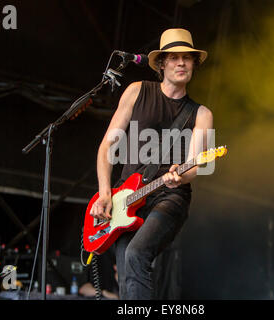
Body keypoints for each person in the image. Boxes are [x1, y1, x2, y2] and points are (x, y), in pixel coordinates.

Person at [90, 28, 213, 300]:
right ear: (162, 63)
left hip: (170, 196)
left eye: (187, 58)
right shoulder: (137, 92)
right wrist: (105, 194)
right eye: (174, 57)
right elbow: (107, 146)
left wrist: (180, 177)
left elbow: (195, 166)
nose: (181, 63)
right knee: (126, 272)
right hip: (126, 198)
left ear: (194, 64)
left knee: (137, 253)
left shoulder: (201, 114)